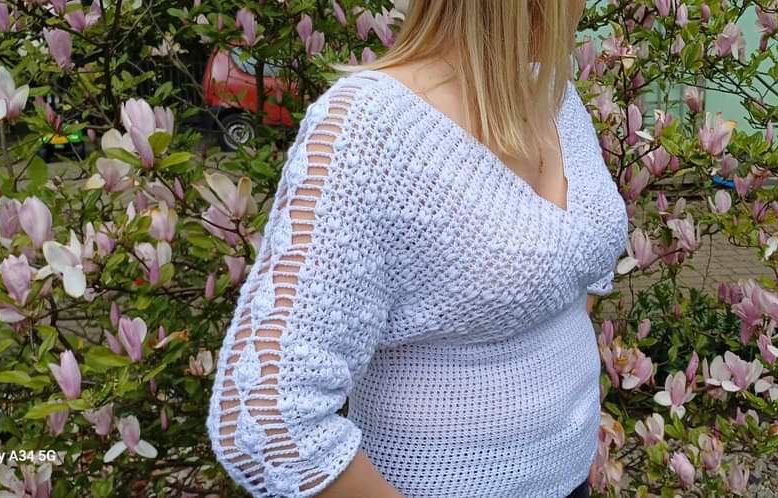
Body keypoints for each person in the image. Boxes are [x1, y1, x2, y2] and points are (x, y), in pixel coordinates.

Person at [206, 1, 629, 496]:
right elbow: (265, 421)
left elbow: (577, 262)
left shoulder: (554, 94)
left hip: (570, 478)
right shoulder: (372, 128)